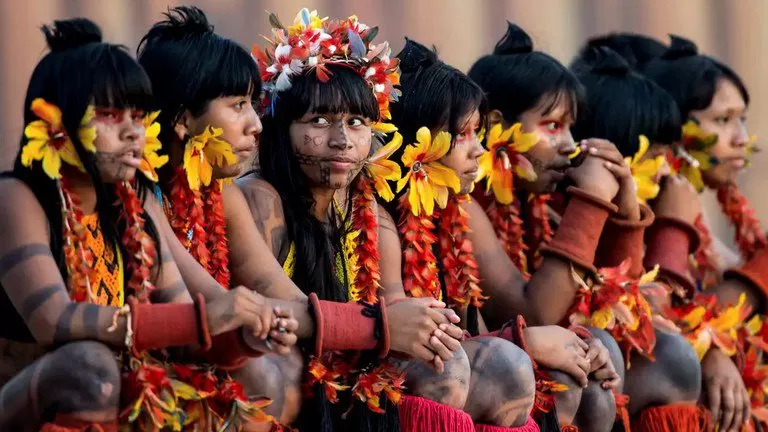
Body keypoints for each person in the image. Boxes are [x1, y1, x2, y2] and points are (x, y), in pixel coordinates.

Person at [0, 18, 297, 431]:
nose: (132, 134)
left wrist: (246, 334)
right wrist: (204, 319)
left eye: (138, 117)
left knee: (259, 371)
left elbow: (180, 321)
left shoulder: (133, 201)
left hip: (122, 382)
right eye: (108, 115)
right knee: (89, 367)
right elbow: (52, 320)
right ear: (57, 125)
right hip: (24, 392)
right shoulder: (18, 196)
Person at [239, 9, 469, 432]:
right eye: (319, 122)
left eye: (357, 122)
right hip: (290, 362)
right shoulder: (259, 198)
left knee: (457, 366)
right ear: (280, 129)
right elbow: (280, 313)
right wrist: (382, 326)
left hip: (358, 368)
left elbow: (398, 306)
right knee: (277, 368)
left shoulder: (373, 215)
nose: (342, 140)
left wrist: (435, 330)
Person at [381, 37, 622, 432]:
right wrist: (592, 200)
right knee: (507, 365)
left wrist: (625, 215)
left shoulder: (459, 205)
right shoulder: (387, 213)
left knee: (591, 359)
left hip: (465, 364)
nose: (571, 145)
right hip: (394, 386)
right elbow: (533, 313)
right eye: (553, 125)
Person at [571, 46, 713, 430]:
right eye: (660, 155)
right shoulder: (566, 207)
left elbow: (644, 314)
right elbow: (638, 316)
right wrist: (669, 228)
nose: (670, 170)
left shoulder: (665, 198)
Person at [642, 35, 765, 431]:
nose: (741, 138)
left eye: (742, 118)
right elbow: (666, 303)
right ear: (676, 128)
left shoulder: (693, 197)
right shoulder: (658, 193)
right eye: (723, 120)